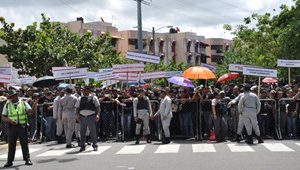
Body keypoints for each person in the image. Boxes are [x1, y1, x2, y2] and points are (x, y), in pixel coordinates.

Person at [1, 90, 35, 167]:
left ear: (16, 95)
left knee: (24, 143)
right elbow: (3, 116)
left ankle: (27, 159)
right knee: (11, 144)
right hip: (12, 127)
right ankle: (9, 161)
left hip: (22, 126)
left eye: (13, 96)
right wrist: (10, 120)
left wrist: (35, 103)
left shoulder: (23, 103)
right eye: (10, 97)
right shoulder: (7, 104)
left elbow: (30, 112)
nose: (11, 98)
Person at [76, 86, 100, 152]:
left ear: (88, 91)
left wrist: (97, 115)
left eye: (84, 90)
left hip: (91, 116)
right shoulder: (80, 98)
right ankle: (82, 146)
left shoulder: (94, 97)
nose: (83, 91)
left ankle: (95, 145)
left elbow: (98, 107)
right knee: (82, 132)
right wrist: (77, 115)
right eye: (82, 90)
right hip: (82, 117)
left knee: (93, 132)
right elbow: (77, 108)